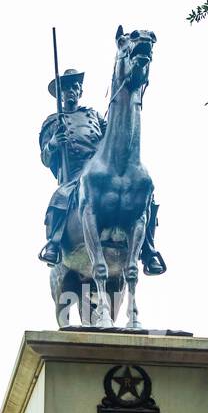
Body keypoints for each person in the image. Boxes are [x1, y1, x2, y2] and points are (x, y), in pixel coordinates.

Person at [37, 67, 166, 273]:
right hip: (76, 173)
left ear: (80, 92)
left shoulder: (93, 115)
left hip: (99, 166)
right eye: (67, 88)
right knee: (59, 197)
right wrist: (53, 143)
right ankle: (54, 242)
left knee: (143, 193)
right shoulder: (53, 121)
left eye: (76, 87)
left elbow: (113, 136)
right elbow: (45, 158)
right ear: (61, 94)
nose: (72, 90)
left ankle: (148, 249)